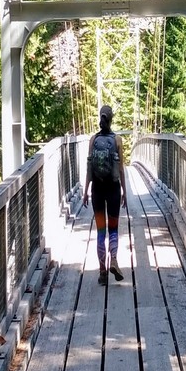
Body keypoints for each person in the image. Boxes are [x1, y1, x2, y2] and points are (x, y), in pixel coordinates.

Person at [83, 104, 127, 285]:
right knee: (113, 229)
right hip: (114, 190)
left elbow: (88, 168)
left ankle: (102, 273)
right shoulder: (117, 140)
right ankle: (114, 260)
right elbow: (122, 169)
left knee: (101, 231)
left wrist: (85, 191)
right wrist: (124, 190)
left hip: (97, 191)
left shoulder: (93, 139)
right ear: (112, 118)